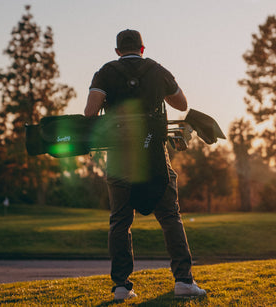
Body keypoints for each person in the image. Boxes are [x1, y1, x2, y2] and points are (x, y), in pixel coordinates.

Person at [84, 29, 206, 300]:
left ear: (117, 51)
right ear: (142, 48)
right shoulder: (157, 69)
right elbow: (182, 103)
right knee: (170, 217)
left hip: (119, 157)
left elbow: (90, 112)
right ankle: (184, 281)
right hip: (154, 156)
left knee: (120, 221)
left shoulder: (105, 72)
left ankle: (121, 287)